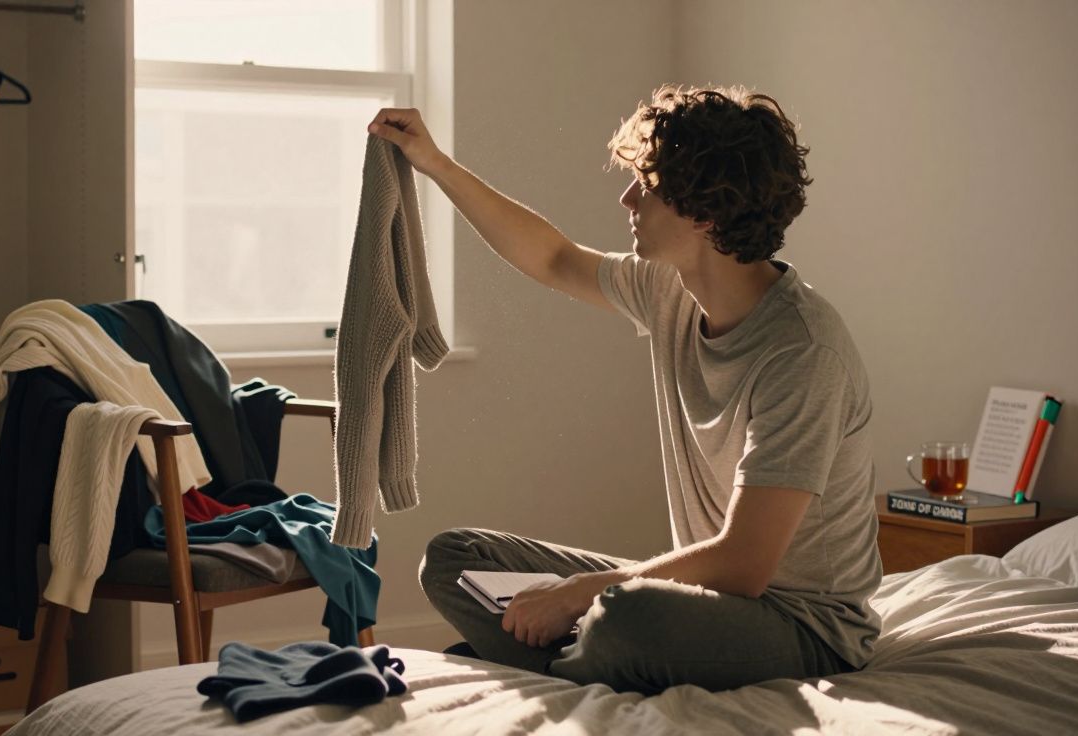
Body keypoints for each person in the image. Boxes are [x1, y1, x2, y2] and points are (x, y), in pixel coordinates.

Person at [368, 84, 883, 695]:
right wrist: (435, 164)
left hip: (804, 625)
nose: (627, 197)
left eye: (648, 184)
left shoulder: (803, 351)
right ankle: (571, 655)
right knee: (456, 560)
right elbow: (553, 258)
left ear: (702, 213)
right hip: (699, 598)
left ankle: (540, 663)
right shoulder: (669, 288)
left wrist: (580, 595)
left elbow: (745, 565)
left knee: (626, 616)